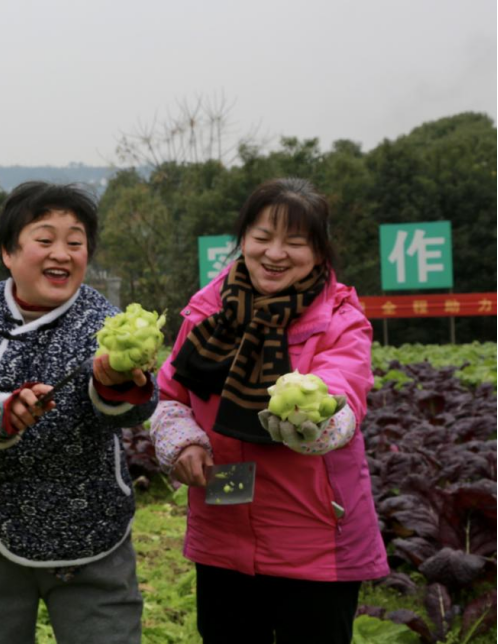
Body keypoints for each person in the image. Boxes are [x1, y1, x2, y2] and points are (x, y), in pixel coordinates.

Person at [150, 177, 388, 644]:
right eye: (262, 237)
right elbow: (170, 396)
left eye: (295, 242)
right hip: (222, 532)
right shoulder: (207, 313)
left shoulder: (341, 320)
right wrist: (182, 443)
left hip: (316, 537)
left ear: (318, 252)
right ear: (243, 240)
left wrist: (314, 420)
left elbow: (344, 397)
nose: (275, 253)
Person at [0, 181, 158, 644]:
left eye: (75, 242)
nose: (62, 254)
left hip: (88, 529)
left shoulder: (107, 324)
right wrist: (1, 414)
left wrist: (115, 384)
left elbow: (136, 411)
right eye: (45, 239)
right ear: (8, 253)